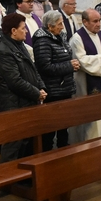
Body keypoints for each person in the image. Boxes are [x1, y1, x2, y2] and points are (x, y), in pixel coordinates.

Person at [0, 14, 47, 161]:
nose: (26, 31)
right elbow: (14, 81)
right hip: (14, 104)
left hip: (26, 101)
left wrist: (41, 87)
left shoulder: (19, 45)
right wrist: (36, 93)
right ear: (13, 31)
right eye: (23, 28)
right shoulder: (4, 51)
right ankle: (8, 174)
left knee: (26, 144)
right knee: (13, 145)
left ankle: (24, 174)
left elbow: (33, 69)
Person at [33, 10, 79, 150]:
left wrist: (71, 64)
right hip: (53, 90)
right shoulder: (42, 41)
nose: (62, 26)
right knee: (51, 126)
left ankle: (63, 149)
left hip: (65, 87)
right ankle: (48, 153)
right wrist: (69, 66)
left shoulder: (60, 37)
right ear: (50, 26)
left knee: (64, 125)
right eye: (59, 24)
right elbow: (45, 67)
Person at [70, 9, 101, 142]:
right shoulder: (77, 38)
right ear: (85, 22)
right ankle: (85, 146)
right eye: (95, 21)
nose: (99, 24)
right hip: (85, 84)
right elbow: (81, 60)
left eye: (99, 20)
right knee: (88, 121)